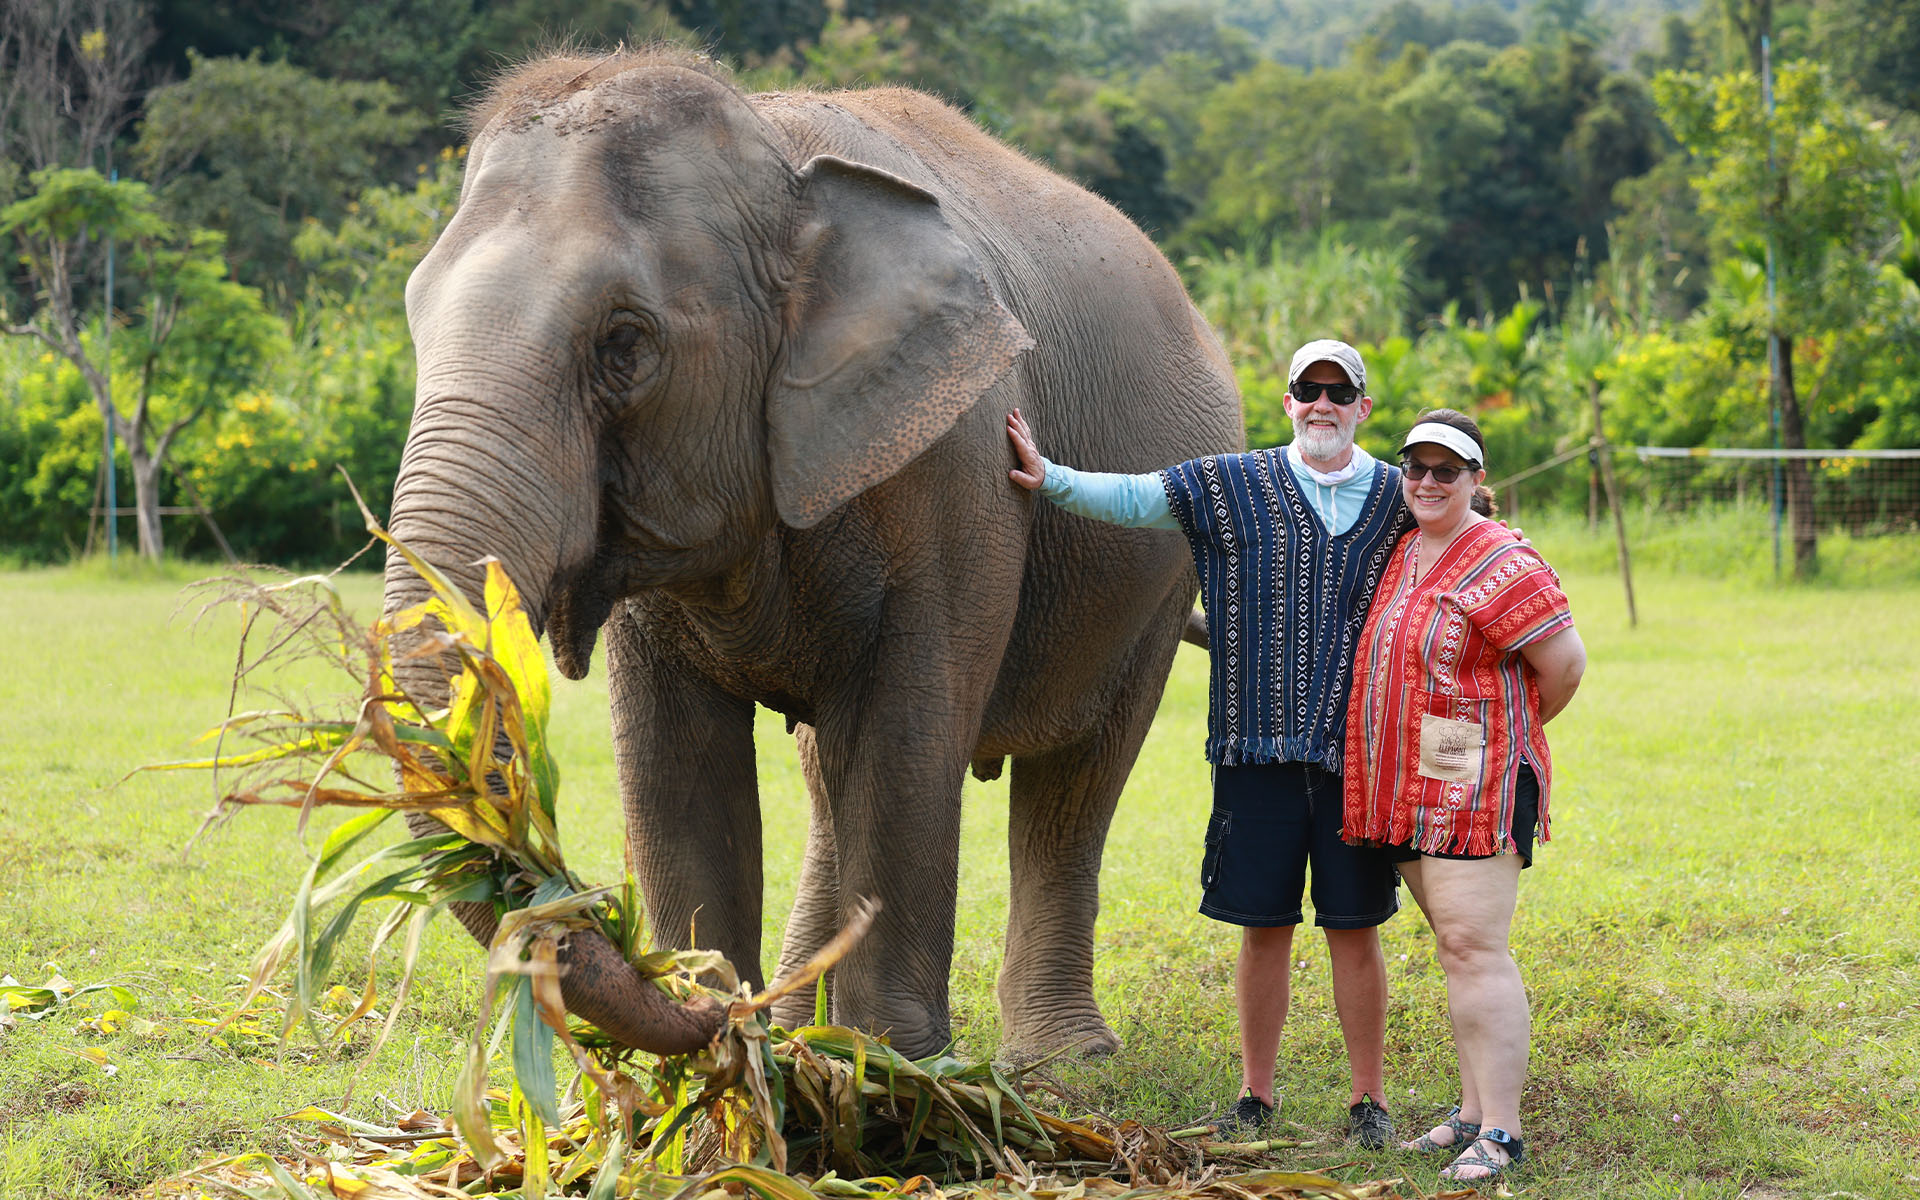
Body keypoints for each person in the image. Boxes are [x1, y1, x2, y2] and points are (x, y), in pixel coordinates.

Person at [1005, 339, 1410, 1149]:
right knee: (1263, 929)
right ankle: (1256, 1096)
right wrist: (1049, 478)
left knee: (1354, 929)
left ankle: (1370, 1102)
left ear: (1364, 407)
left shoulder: (1402, 496)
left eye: (1340, 391)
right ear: (1288, 401)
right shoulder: (1231, 484)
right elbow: (1133, 498)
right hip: (1253, 751)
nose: (1323, 403)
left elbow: (1466, 534)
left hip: (1354, 760)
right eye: (1309, 389)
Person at [1341, 409, 1587, 1183]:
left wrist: (1502, 736)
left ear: (1476, 480)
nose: (1426, 481)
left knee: (1476, 948)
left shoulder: (1503, 557)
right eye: (1416, 467)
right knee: (1455, 948)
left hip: (1477, 783)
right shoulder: (1408, 550)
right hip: (1412, 784)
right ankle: (1474, 1112)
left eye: (1447, 470)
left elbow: (1566, 666)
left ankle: (1504, 1132)